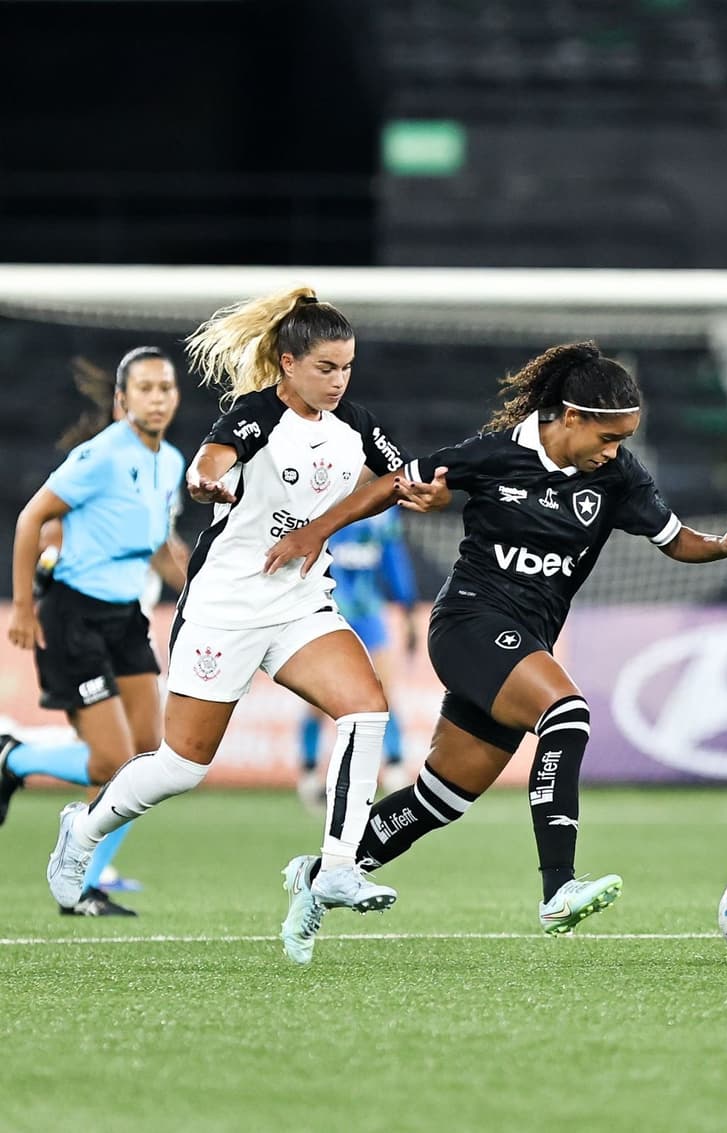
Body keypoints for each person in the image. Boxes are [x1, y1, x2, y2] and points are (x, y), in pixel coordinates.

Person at [265, 341, 727, 962]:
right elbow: (396, 482)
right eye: (608, 437)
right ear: (572, 418)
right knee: (568, 715)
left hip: (524, 642)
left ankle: (319, 876)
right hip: (470, 622)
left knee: (441, 798)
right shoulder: (493, 454)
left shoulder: (616, 475)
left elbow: (675, 540)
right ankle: (558, 889)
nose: (615, 451)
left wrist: (722, 544)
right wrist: (318, 529)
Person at [43, 286, 449, 961]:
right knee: (181, 766)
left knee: (366, 708)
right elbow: (211, 464)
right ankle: (81, 830)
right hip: (226, 606)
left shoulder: (355, 421)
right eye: (326, 367)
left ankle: (337, 865)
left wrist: (402, 497)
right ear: (287, 363)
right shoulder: (254, 415)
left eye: (348, 367)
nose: (339, 380)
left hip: (296, 604)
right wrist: (208, 483)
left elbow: (391, 476)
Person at [4, 346, 185, 916]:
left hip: (124, 617)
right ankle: (11, 758)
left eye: (165, 388)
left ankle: (86, 882)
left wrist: (194, 586)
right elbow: (32, 517)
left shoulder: (173, 462)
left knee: (150, 759)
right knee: (110, 762)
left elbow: (156, 542)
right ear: (122, 399)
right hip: (72, 615)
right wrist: (25, 609)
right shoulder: (102, 456)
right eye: (146, 388)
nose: (157, 397)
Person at [297, 509, 418, 811]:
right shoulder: (329, 496)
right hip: (329, 608)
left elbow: (393, 557)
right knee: (317, 698)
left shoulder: (385, 511)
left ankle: (394, 768)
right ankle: (309, 772)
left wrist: (407, 607)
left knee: (384, 691)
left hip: (368, 610)